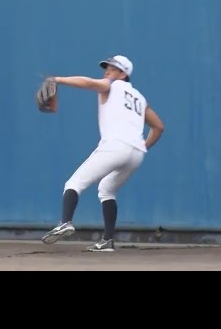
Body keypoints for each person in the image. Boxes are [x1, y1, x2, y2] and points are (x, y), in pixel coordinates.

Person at [41, 55, 165, 252]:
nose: (107, 71)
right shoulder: (139, 98)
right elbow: (158, 127)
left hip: (115, 146)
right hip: (136, 153)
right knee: (107, 189)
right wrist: (140, 147)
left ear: (123, 74)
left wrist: (58, 80)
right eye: (106, 67)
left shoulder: (112, 85)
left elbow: (89, 83)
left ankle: (65, 222)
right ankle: (107, 241)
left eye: (113, 68)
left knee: (73, 184)